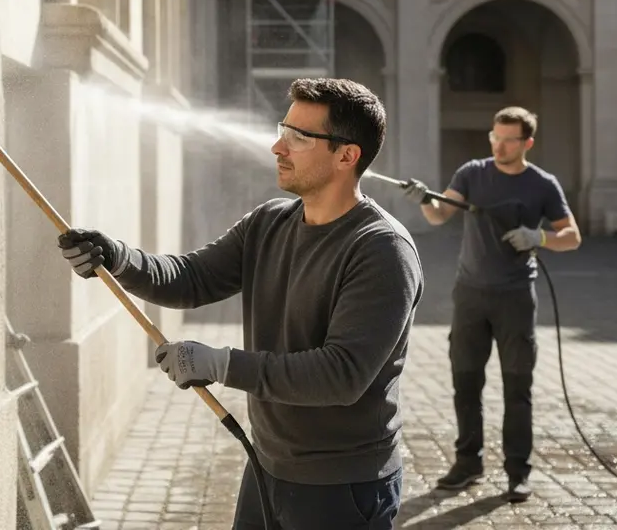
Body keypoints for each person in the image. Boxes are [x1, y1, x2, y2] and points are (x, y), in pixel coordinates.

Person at [57, 78, 423, 530]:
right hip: (268, 467)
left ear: (347, 156)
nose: (277, 146)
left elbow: (340, 376)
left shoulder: (381, 250)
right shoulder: (268, 223)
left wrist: (220, 363)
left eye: (298, 137)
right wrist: (116, 257)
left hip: (342, 487)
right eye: (282, 129)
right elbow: (190, 279)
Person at [401, 106, 581, 504]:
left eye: (508, 140)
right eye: (495, 138)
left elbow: (572, 235)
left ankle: (518, 473)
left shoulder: (542, 185)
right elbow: (439, 214)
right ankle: (468, 464)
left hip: (516, 298)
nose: (499, 146)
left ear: (527, 143)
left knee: (518, 388)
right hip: (470, 295)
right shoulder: (472, 173)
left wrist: (540, 238)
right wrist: (422, 199)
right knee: (466, 384)